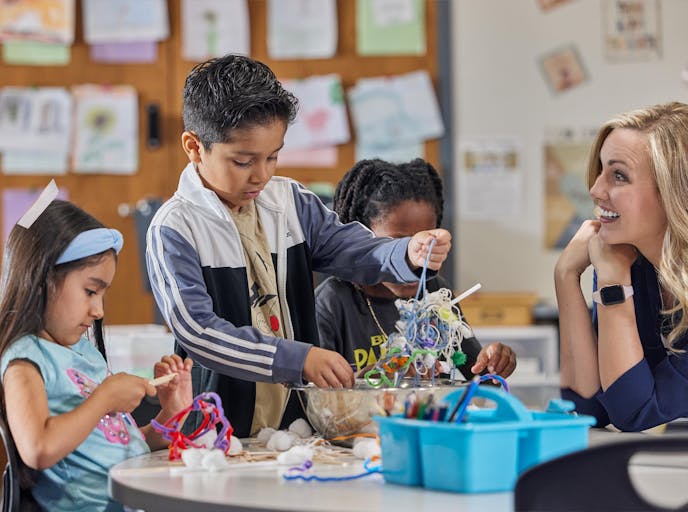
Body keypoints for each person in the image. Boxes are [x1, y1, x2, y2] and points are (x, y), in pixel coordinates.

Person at [145, 54, 451, 438]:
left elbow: (355, 249)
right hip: (215, 429)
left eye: (273, 156)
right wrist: (298, 357)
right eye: (243, 161)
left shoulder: (289, 201)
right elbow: (200, 333)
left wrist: (406, 253)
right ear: (194, 146)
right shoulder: (175, 227)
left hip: (296, 427)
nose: (261, 174)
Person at [0, 197, 194, 512]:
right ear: (42, 279)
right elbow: (38, 448)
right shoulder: (24, 360)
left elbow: (117, 447)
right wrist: (104, 399)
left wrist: (170, 418)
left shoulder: (83, 352)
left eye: (102, 294)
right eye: (90, 291)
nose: (98, 310)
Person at [315, 158, 516, 380]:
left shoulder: (435, 293)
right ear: (363, 237)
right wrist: (372, 378)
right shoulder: (331, 303)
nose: (418, 260)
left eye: (427, 243)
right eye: (400, 244)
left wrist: (495, 362)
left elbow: (479, 376)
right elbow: (317, 397)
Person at [555, 102, 688, 431]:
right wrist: (566, 276)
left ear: (673, 193)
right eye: (601, 170)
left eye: (618, 175)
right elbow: (587, 407)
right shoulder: (627, 263)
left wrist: (613, 284)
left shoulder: (617, 273)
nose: (595, 190)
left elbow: (636, 413)